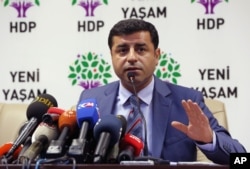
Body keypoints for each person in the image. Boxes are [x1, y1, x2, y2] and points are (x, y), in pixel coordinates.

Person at [78, 18, 246, 164]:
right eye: (122, 50)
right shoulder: (92, 99)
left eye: (141, 49)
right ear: (112, 56)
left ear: (157, 55)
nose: (131, 57)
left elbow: (241, 157)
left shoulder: (187, 101)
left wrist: (209, 140)